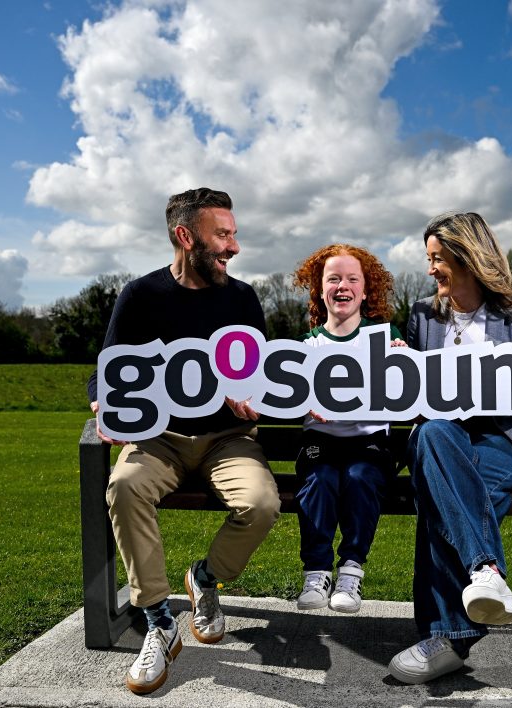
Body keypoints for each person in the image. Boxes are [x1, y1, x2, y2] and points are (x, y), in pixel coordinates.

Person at [87, 188, 280, 695]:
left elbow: (260, 375)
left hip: (227, 438)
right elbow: (106, 372)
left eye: (234, 235)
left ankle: (204, 578)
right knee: (124, 486)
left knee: (260, 504)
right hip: (159, 439)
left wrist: (252, 397)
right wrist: (103, 405)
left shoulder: (241, 298)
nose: (234, 247)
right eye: (223, 235)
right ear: (184, 235)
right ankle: (158, 618)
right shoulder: (140, 295)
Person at [387, 211, 512, 685]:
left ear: (466, 257)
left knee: (444, 492)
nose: (431, 268)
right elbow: (410, 402)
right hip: (445, 437)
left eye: (438, 258)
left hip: (502, 438)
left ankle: (447, 639)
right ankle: (486, 572)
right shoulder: (421, 314)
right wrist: (400, 366)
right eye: (429, 259)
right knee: (434, 437)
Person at [289, 244, 406, 614]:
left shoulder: (386, 338)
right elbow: (285, 399)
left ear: (366, 290)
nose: (343, 286)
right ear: (319, 289)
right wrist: (301, 402)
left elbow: (413, 392)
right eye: (333, 278)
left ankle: (351, 572)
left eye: (352, 279)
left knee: (359, 477)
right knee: (320, 481)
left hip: (369, 444)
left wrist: (405, 360)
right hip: (320, 443)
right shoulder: (307, 344)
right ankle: (317, 571)